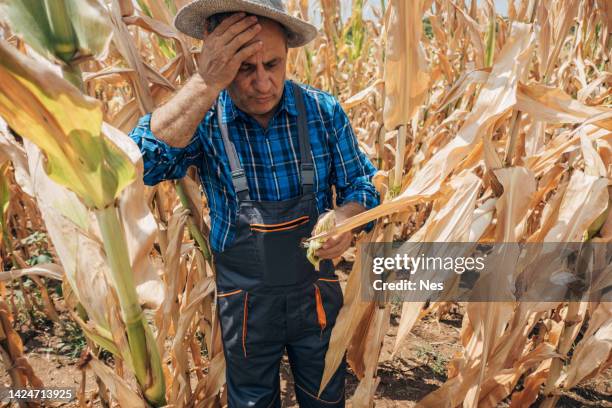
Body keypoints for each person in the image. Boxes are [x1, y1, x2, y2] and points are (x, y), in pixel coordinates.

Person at [128, 1, 380, 406]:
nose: (263, 83)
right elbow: (141, 162)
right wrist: (205, 83)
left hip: (314, 297)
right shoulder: (205, 119)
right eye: (245, 68)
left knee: (326, 397)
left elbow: (362, 184)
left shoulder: (322, 111)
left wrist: (347, 218)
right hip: (246, 308)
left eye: (274, 65)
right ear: (216, 60)